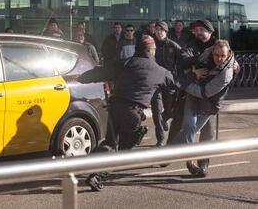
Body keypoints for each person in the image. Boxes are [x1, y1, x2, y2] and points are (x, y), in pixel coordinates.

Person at [80, 35, 175, 191]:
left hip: (114, 108)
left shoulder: (124, 63)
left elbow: (100, 73)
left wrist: (80, 78)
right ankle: (98, 175)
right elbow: (176, 85)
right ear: (152, 51)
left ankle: (92, 165)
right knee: (123, 149)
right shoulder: (161, 71)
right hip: (132, 113)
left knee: (110, 144)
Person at [173, 40, 234, 177]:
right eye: (216, 55)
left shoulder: (227, 72)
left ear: (228, 53)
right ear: (212, 51)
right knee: (189, 127)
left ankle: (201, 164)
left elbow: (205, 92)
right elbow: (183, 66)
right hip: (193, 98)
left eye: (222, 56)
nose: (219, 58)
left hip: (209, 104)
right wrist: (194, 72)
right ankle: (189, 161)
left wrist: (186, 83)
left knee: (203, 134)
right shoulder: (205, 54)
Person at [151, 21, 181, 146]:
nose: (159, 31)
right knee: (156, 111)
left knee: (169, 111)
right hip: (154, 83)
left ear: (166, 31)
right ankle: (161, 139)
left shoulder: (173, 45)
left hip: (169, 83)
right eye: (157, 29)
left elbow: (184, 59)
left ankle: (164, 119)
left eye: (162, 29)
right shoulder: (151, 44)